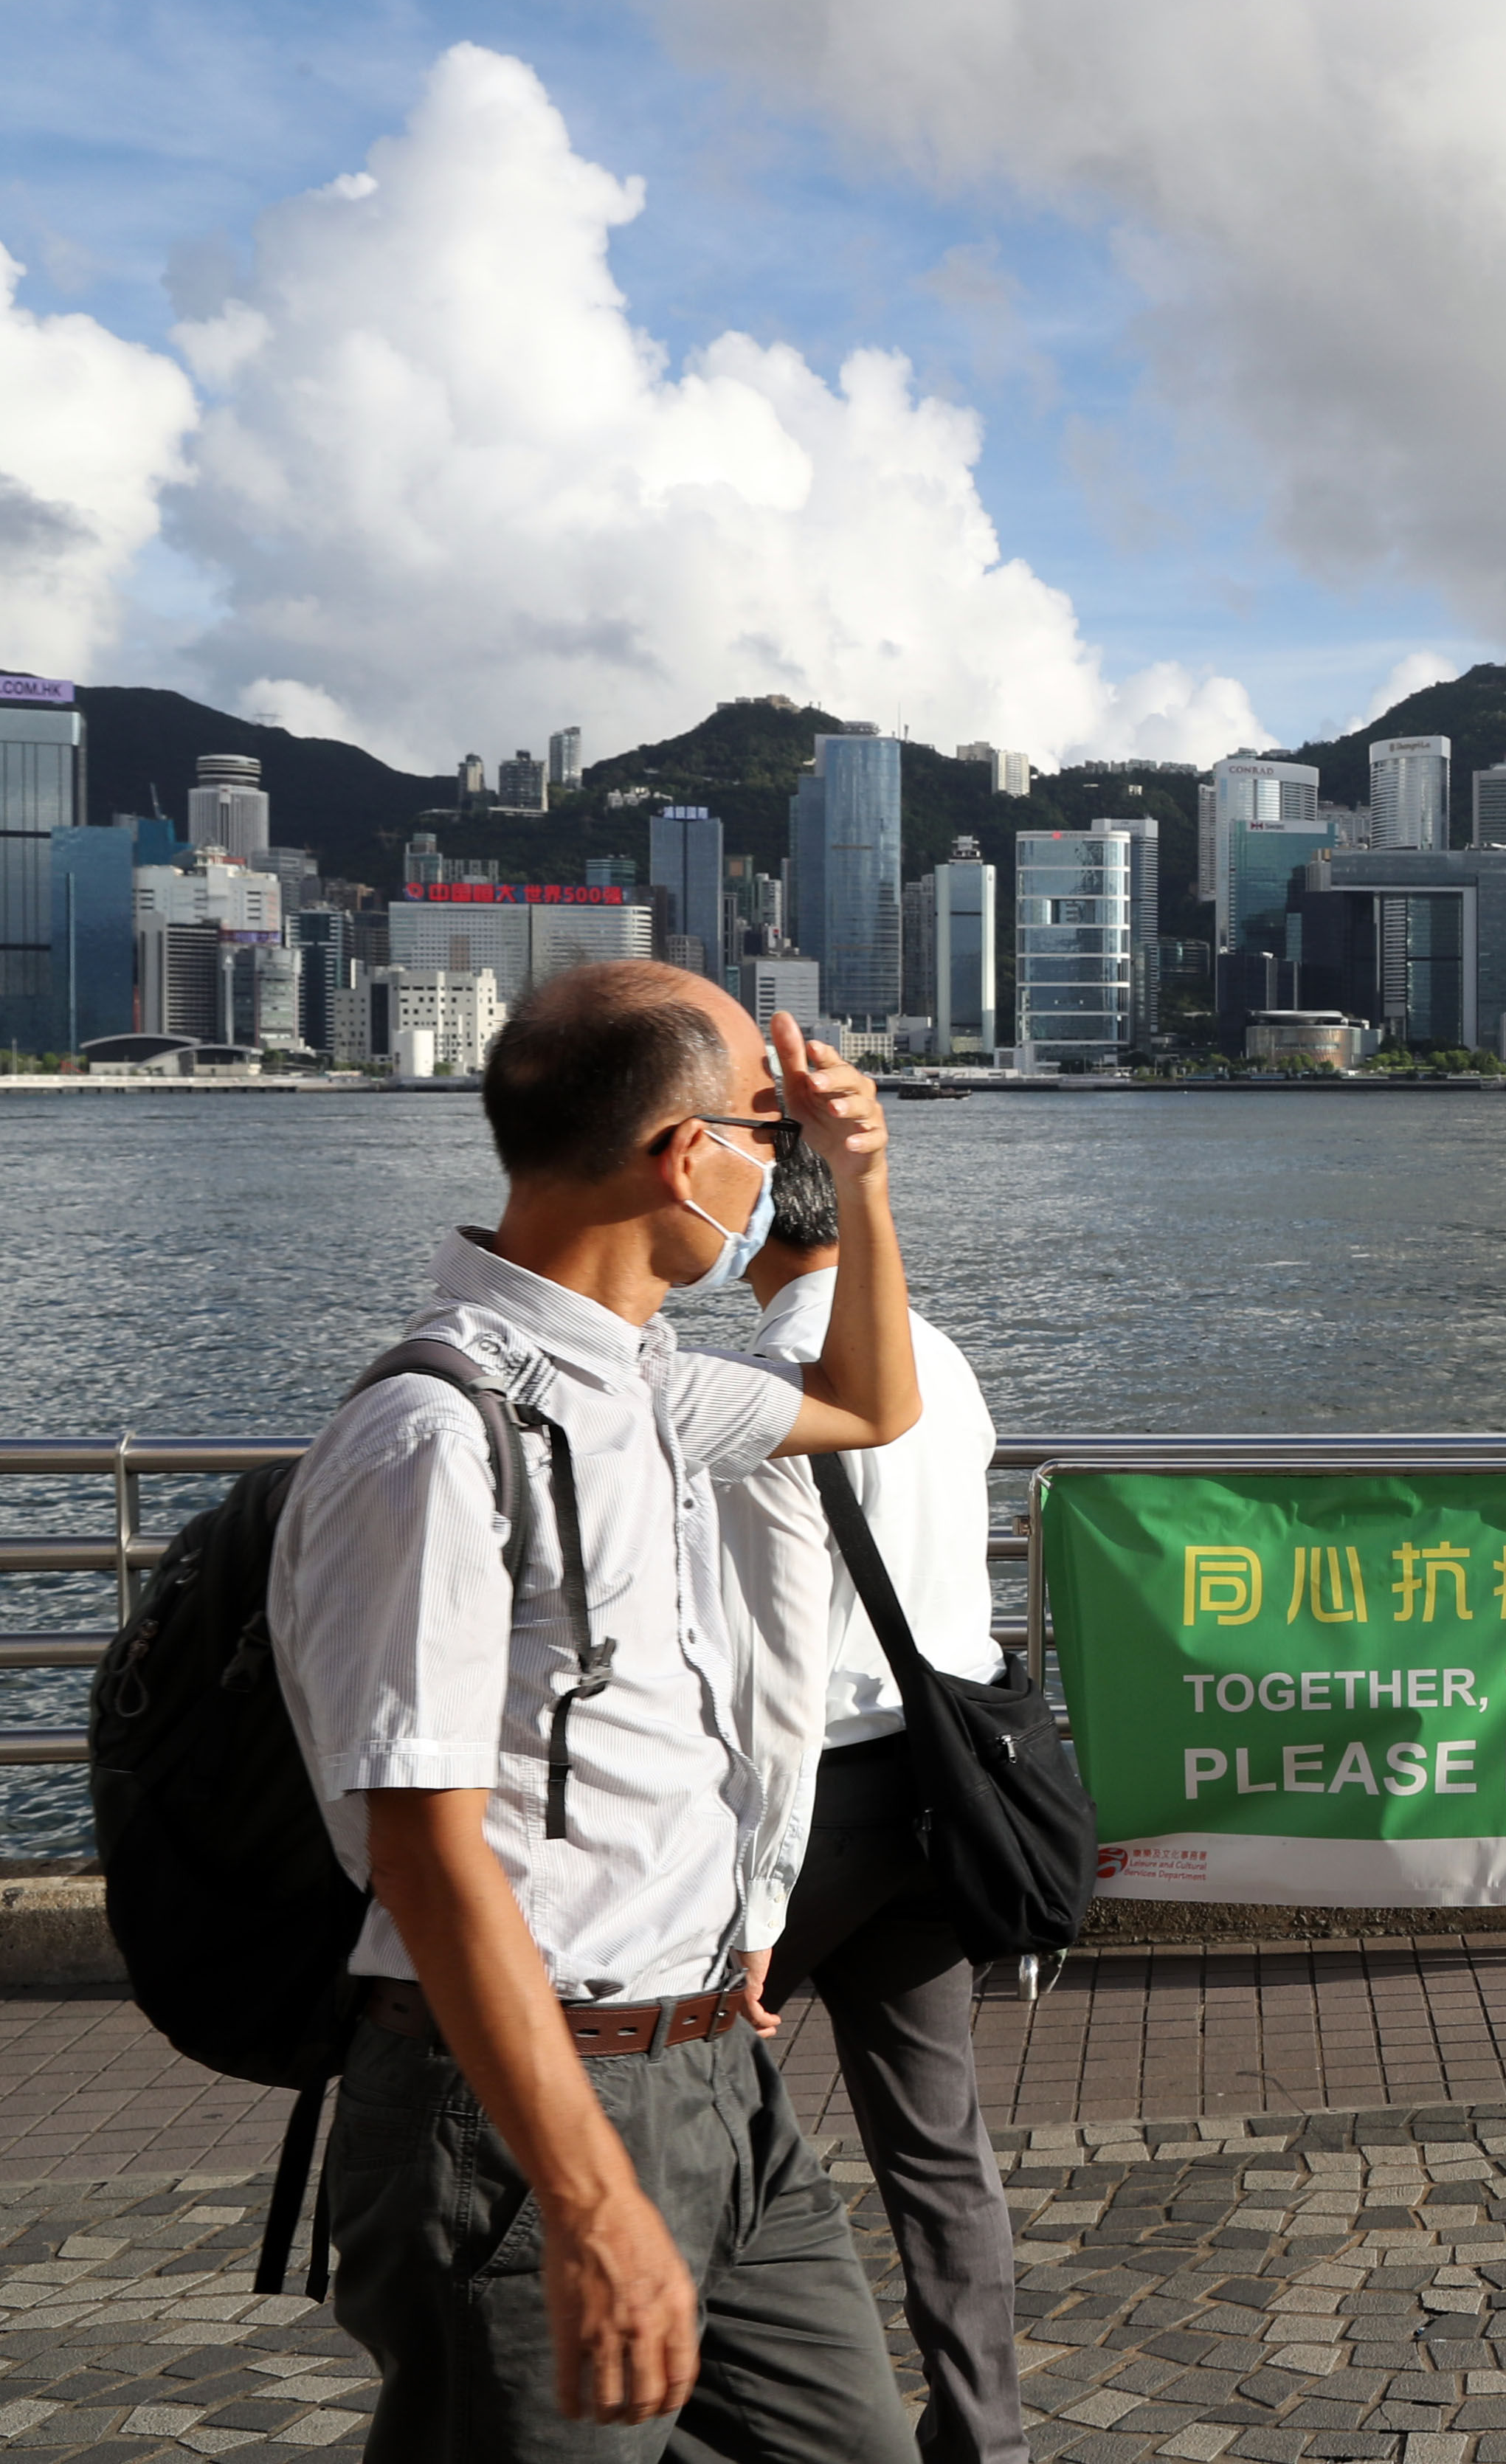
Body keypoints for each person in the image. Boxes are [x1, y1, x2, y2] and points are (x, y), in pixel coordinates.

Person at [272, 962, 926, 2460]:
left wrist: (867, 1179)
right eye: (770, 1137)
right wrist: (583, 2198)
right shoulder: (434, 1435)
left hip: (715, 2070)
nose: (785, 1170)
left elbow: (873, 1405)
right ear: (687, 1159)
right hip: (519, 2117)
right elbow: (427, 1852)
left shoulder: (651, 1391)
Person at [716, 1144, 1029, 2464]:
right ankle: (984, 2437)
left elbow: (752, 1663)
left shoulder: (749, 1390)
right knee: (939, 2146)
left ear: (755, 1231)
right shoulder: (941, 1361)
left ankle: (696, 2412)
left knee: (688, 2119)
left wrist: (747, 1897)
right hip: (937, 1795)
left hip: (810, 1808)